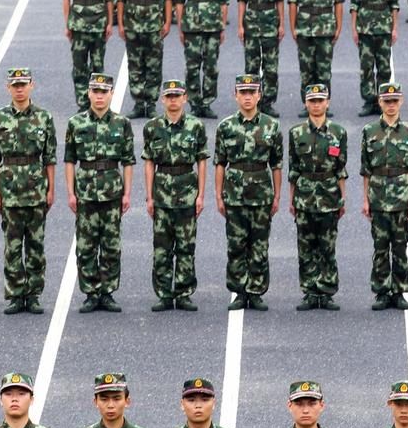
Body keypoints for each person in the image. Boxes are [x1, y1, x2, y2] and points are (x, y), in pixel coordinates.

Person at [0, 68, 57, 315]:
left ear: (31, 86)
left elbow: (49, 157)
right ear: (8, 87)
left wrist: (51, 189)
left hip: (36, 191)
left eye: (23, 84)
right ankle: (16, 295)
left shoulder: (44, 117)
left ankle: (34, 294)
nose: (19, 88)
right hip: (9, 192)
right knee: (13, 247)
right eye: (15, 84)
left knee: (36, 246)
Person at [64, 72, 135, 313]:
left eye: (104, 92)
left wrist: (127, 194)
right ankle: (91, 292)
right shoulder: (76, 123)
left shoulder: (121, 123)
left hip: (112, 192)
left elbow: (127, 161)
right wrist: (71, 192)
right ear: (89, 94)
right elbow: (69, 160)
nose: (99, 96)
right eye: (95, 91)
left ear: (111, 94)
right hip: (85, 191)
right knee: (86, 246)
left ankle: (107, 292)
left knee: (111, 245)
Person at [214, 76, 283, 311]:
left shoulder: (271, 126)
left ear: (259, 96)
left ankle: (256, 291)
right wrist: (218, 195)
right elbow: (220, 163)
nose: (247, 97)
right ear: (235, 95)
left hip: (261, 192)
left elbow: (276, 164)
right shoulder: (226, 126)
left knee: (259, 245)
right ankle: (239, 291)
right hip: (234, 193)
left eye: (251, 92)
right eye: (242, 92)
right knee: (236, 244)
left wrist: (277, 196)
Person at [142, 80, 209, 312]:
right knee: (162, 247)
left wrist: (201, 194)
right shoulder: (152, 127)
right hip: (161, 192)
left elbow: (201, 161)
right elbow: (149, 162)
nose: (173, 100)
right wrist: (149, 196)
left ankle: (183, 293)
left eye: (177, 96)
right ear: (162, 99)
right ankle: (163, 294)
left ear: (185, 98)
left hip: (187, 190)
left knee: (186, 246)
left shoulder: (195, 126)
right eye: (169, 96)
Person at [289, 84, 347, 310]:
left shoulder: (338, 133)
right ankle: (310, 291)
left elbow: (341, 169)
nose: (316, 104)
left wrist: (343, 199)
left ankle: (327, 291)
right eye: (312, 100)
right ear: (306, 103)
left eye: (320, 100)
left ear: (327, 102)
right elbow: (293, 169)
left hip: (329, 194)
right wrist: (291, 199)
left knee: (327, 246)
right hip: (304, 195)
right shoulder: (296, 133)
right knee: (305, 246)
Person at [360, 82, 408, 310]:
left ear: (401, 101)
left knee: (401, 246)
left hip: (402, 195)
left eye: (394, 101)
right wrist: (365, 199)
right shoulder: (369, 131)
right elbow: (365, 169)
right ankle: (382, 291)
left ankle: (400, 291)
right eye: (387, 101)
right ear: (380, 102)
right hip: (378, 194)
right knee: (381, 247)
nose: (391, 105)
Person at [117, 0, 173, 119]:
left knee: (154, 64)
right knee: (135, 65)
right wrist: (120, 23)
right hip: (132, 24)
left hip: (153, 24)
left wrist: (167, 23)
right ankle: (138, 103)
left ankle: (151, 102)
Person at [61, 0, 116, 111]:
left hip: (98, 22)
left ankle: (97, 102)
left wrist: (110, 22)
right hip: (78, 22)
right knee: (79, 66)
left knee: (98, 65)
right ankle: (83, 103)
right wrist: (67, 23)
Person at [175, 0, 229, 119]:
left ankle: (207, 102)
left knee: (211, 66)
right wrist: (181, 25)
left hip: (213, 24)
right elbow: (180, 0)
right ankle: (194, 102)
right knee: (192, 66)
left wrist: (222, 25)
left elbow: (223, 0)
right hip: (191, 23)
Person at [288, 0, 344, 108]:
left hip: (326, 28)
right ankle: (308, 104)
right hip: (304, 28)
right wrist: (293, 28)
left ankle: (324, 104)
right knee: (306, 70)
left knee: (324, 71)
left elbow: (339, 3)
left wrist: (338, 27)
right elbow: (292, 3)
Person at [351, 0, 399, 117]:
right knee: (366, 67)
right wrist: (354, 28)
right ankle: (369, 101)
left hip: (384, 25)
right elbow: (354, 4)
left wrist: (395, 28)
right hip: (364, 26)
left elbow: (394, 4)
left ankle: (383, 100)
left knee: (384, 67)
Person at [236, 0, 286, 117]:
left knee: (271, 66)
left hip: (270, 20)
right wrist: (240, 25)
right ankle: (250, 102)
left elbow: (280, 0)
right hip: (251, 20)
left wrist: (282, 24)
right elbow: (241, 0)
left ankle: (267, 102)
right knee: (251, 65)